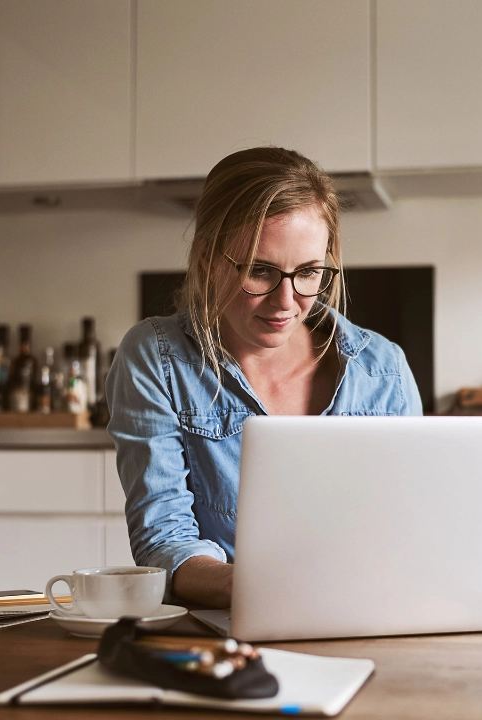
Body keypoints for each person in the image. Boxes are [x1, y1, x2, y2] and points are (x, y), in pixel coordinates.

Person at [107, 147, 424, 608]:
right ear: (206, 259)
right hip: (228, 627)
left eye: (309, 272)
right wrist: (262, 588)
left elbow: (410, 527)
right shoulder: (157, 358)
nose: (286, 302)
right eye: (260, 271)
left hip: (368, 613)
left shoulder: (383, 368)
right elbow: (164, 540)